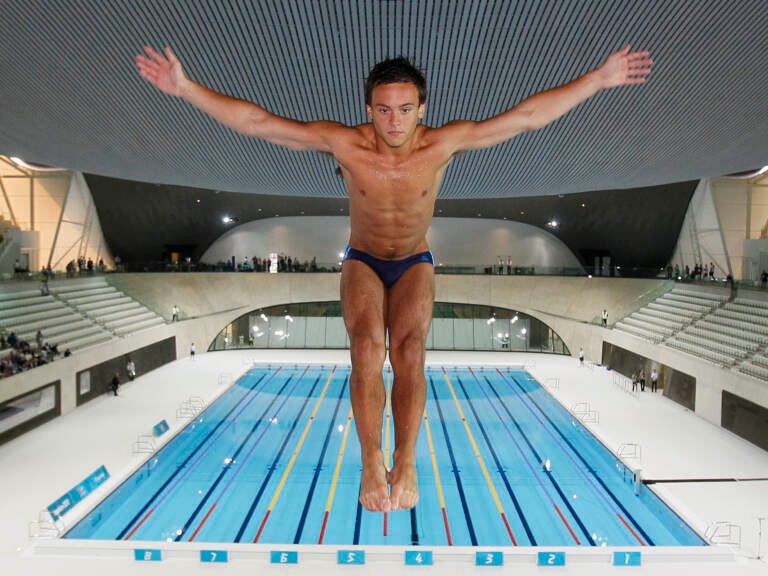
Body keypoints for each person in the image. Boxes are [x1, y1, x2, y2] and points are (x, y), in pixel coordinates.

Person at [137, 43, 652, 513]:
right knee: (366, 349)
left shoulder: (440, 145)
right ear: (368, 109)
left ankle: (406, 460)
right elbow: (260, 123)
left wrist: (598, 80)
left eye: (405, 109)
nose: (394, 120)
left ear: (421, 108)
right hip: (362, 257)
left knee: (409, 353)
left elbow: (525, 119)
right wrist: (185, 88)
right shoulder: (345, 144)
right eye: (383, 109)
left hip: (413, 261)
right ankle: (370, 460)